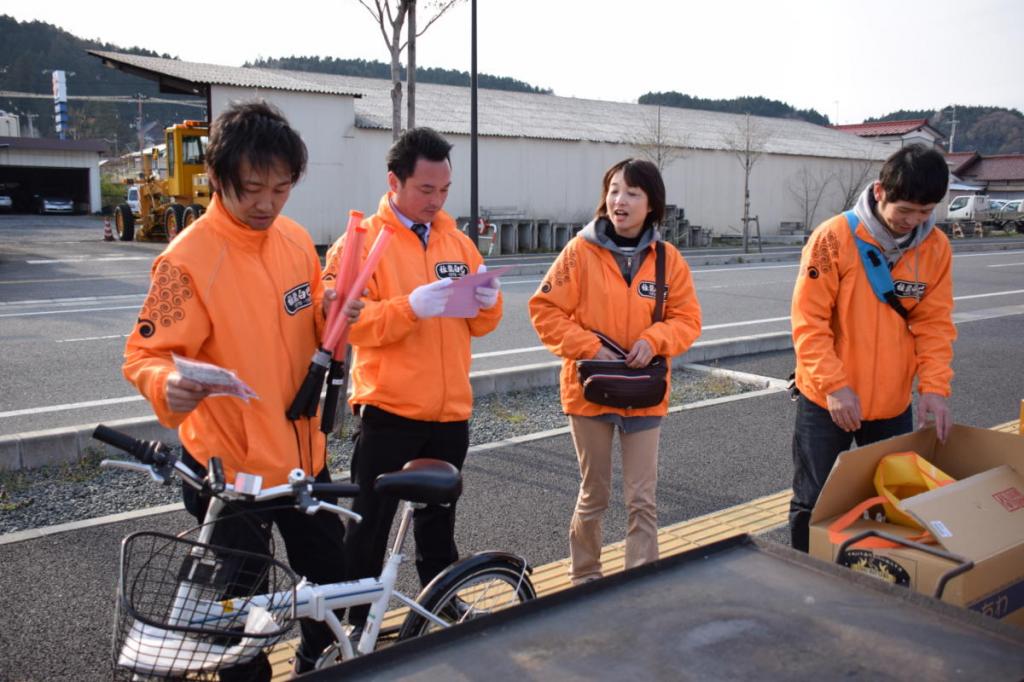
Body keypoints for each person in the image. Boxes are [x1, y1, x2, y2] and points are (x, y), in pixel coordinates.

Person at [123, 101, 361, 677]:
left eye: (281, 190)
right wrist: (167, 383)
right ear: (217, 177)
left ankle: (316, 656)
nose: (267, 204)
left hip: (304, 460)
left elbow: (308, 326)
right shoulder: (185, 262)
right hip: (230, 475)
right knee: (232, 623)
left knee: (330, 592)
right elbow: (143, 353)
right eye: (252, 188)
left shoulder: (297, 241)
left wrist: (332, 311)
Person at [324, 127, 503, 629]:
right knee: (368, 525)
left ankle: (440, 602)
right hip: (389, 410)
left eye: (444, 189)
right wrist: (411, 307)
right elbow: (345, 324)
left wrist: (488, 304)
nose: (437, 199)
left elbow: (483, 323)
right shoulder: (360, 245)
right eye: (426, 189)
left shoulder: (456, 239)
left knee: (438, 520)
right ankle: (352, 621)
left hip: (449, 410)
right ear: (394, 182)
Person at [528, 158, 702, 585]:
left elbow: (688, 319)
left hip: (645, 392)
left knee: (642, 498)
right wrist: (591, 348)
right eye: (614, 190)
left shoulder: (668, 260)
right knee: (596, 493)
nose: (619, 200)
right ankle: (584, 577)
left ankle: (639, 585)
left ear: (652, 205)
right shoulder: (580, 252)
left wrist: (654, 340)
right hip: (590, 390)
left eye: (632, 193)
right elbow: (545, 310)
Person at [788, 143, 955, 552]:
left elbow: (934, 325)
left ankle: (867, 580)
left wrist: (934, 389)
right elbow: (808, 322)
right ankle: (801, 582)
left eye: (926, 211)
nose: (913, 222)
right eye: (906, 211)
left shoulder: (935, 248)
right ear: (880, 192)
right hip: (826, 402)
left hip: (890, 403)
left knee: (886, 502)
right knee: (813, 501)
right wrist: (834, 385)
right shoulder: (833, 238)